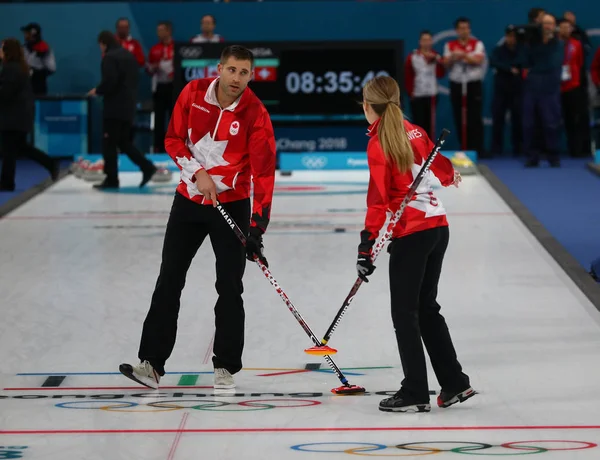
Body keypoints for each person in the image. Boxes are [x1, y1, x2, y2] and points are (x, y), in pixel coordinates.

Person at [119, 45, 277, 390]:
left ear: (252, 76)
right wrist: (197, 174)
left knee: (230, 288)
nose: (237, 78)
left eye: (244, 73)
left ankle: (225, 368)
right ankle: (151, 364)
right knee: (169, 280)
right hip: (188, 202)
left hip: (231, 205)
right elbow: (173, 139)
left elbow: (264, 174)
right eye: (232, 70)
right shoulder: (192, 93)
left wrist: (257, 227)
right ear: (220, 68)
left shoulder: (256, 114)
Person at [356, 75, 475, 413]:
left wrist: (366, 245)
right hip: (438, 227)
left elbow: (378, 201)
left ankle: (415, 392)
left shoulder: (378, 143)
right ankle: (454, 383)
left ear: (367, 106)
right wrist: (452, 176)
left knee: (405, 313)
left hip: (412, 234)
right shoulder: (417, 131)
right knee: (426, 307)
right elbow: (441, 167)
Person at [87, 31, 157, 189]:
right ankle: (147, 167)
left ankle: (112, 179)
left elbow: (110, 81)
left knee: (109, 143)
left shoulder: (110, 58)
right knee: (123, 142)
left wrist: (97, 90)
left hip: (114, 108)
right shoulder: (128, 55)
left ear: (103, 43)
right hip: (129, 106)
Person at [0, 38, 58, 191]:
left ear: (7, 51)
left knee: (8, 151)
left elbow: (5, 93)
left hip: (13, 117)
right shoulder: (20, 67)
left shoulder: (10, 69)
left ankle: (7, 183)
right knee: (21, 147)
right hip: (21, 115)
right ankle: (50, 163)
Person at [521, 14, 564, 167]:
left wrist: (535, 67)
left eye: (550, 24)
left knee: (551, 123)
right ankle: (532, 157)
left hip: (550, 89)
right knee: (530, 124)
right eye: (545, 23)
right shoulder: (532, 43)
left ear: (554, 26)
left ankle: (553, 156)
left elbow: (551, 63)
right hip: (532, 88)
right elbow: (525, 61)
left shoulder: (558, 44)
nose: (547, 27)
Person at [443, 17, 487, 156]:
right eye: (461, 28)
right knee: (459, 116)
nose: (464, 31)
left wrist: (461, 55)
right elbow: (445, 63)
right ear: (457, 30)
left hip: (473, 84)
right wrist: (454, 58)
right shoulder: (449, 45)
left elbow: (478, 60)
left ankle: (477, 148)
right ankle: (464, 147)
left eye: (466, 28)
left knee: (475, 116)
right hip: (456, 83)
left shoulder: (477, 43)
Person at [490, 25, 526, 156]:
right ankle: (496, 148)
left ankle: (519, 147)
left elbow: (523, 61)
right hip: (501, 90)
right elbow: (493, 62)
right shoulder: (499, 50)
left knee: (518, 120)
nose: (511, 39)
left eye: (514, 36)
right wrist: (510, 69)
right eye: (509, 36)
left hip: (517, 90)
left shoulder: (521, 49)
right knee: (498, 119)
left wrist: (509, 67)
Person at [404, 30, 445, 139]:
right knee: (418, 124)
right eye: (424, 40)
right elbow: (408, 76)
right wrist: (410, 93)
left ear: (431, 42)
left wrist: (437, 60)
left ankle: (429, 149)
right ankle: (418, 148)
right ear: (420, 42)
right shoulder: (412, 57)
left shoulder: (436, 56)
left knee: (430, 124)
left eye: (428, 40)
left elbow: (441, 74)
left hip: (432, 94)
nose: (426, 42)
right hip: (417, 94)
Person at [147, 20, 175, 153]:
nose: (159, 33)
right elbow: (148, 69)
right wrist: (154, 67)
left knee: (174, 119)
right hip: (160, 87)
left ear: (168, 31)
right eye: (158, 31)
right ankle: (158, 148)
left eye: (162, 30)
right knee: (158, 119)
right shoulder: (154, 49)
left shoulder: (177, 47)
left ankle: (175, 147)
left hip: (174, 88)